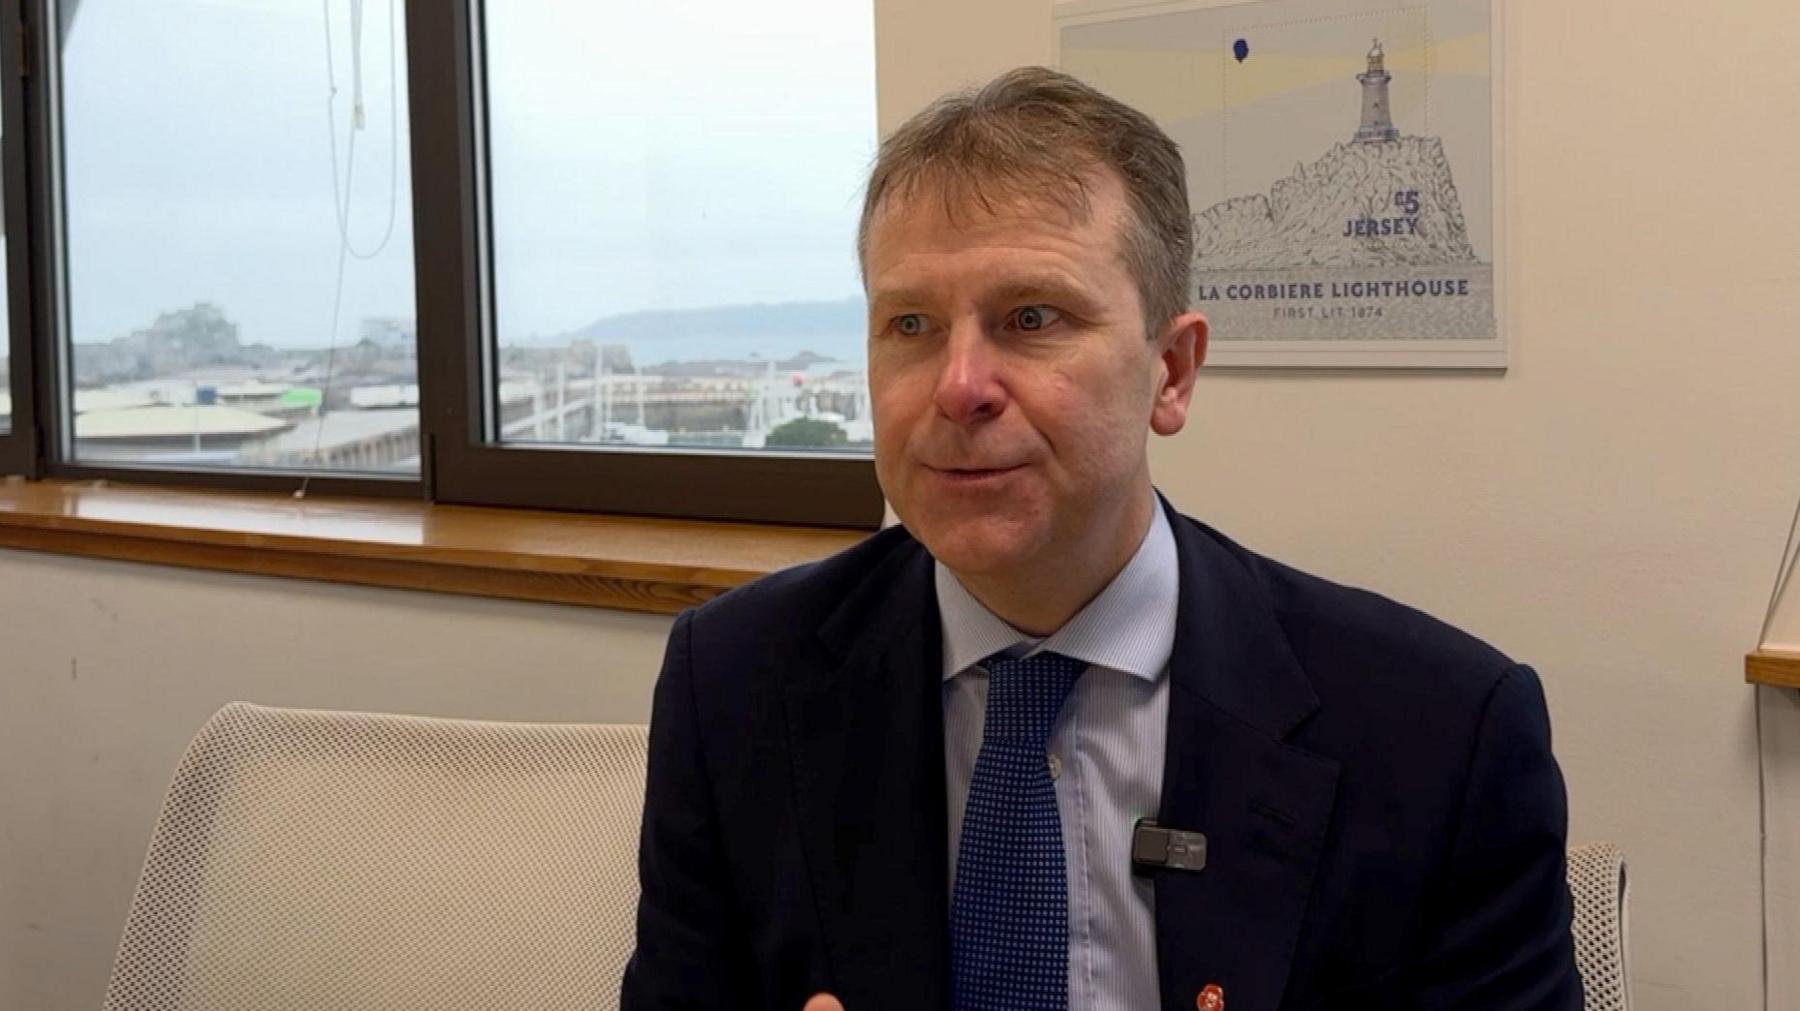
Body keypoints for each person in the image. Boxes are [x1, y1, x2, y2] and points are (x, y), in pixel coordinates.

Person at [622, 67, 1582, 1011]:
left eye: (1030, 318)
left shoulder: (1440, 734)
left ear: (1171, 371)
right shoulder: (738, 681)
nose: (959, 386)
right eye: (909, 323)